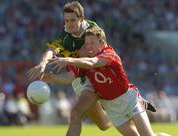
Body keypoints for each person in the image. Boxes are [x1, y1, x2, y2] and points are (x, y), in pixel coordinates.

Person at [27, 0, 155, 131]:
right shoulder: (65, 37)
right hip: (81, 76)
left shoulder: (92, 29)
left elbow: (97, 54)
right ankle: (126, 115)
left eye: (72, 20)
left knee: (76, 113)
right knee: (103, 125)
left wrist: (69, 60)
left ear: (82, 18)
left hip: (96, 71)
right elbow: (52, 51)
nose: (69, 24)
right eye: (66, 21)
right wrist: (43, 64)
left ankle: (134, 107)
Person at [44, 26, 169, 136]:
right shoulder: (85, 61)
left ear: (101, 43)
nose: (89, 47)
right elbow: (70, 77)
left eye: (92, 43)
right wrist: (51, 77)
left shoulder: (109, 53)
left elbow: (94, 63)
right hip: (112, 109)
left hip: (129, 99)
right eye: (86, 44)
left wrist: (69, 60)